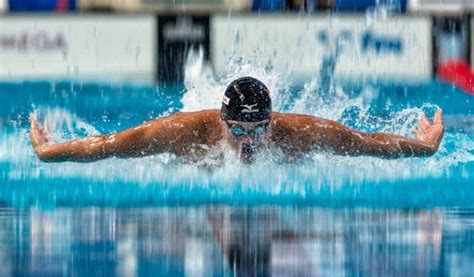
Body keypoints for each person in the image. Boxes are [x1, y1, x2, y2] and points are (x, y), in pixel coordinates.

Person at [30, 77, 444, 164]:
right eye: (239, 129)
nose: (249, 140)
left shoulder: (298, 133)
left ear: (271, 119)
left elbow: (367, 142)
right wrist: (49, 151)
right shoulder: (185, 132)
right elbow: (110, 145)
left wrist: (424, 146)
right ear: (222, 119)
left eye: (258, 128)